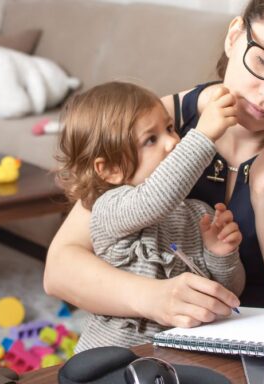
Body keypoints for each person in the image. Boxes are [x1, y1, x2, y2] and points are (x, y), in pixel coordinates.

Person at [44, 0, 264, 328]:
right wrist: (154, 298)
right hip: (163, 342)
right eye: (263, 60)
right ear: (234, 36)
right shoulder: (161, 125)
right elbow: (60, 268)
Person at [55, 82, 246, 351]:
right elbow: (154, 199)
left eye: (169, 128)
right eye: (150, 140)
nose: (173, 142)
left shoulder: (198, 214)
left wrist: (222, 254)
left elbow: (228, 293)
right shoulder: (108, 208)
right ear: (110, 169)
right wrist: (203, 135)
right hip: (111, 357)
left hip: (176, 355)